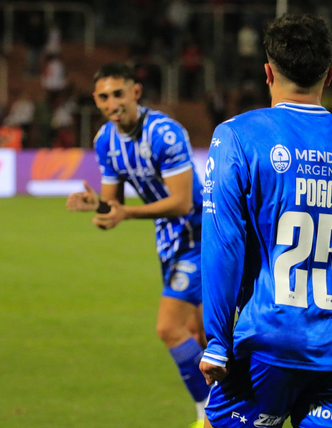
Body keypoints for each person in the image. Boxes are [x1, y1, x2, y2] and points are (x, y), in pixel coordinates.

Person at [199, 14, 332, 428]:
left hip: (266, 346)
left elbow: (223, 242)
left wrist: (217, 340)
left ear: (267, 72)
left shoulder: (237, 136)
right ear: (330, 75)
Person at [66, 62, 209, 428]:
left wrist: (125, 215)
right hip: (170, 239)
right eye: (103, 96)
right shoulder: (105, 142)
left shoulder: (165, 133)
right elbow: (113, 208)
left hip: (202, 233)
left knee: (168, 328)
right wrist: (97, 206)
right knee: (199, 334)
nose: (112, 102)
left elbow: (182, 203)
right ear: (96, 101)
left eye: (118, 93)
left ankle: (210, 415)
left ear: (135, 92)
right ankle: (226, 411)